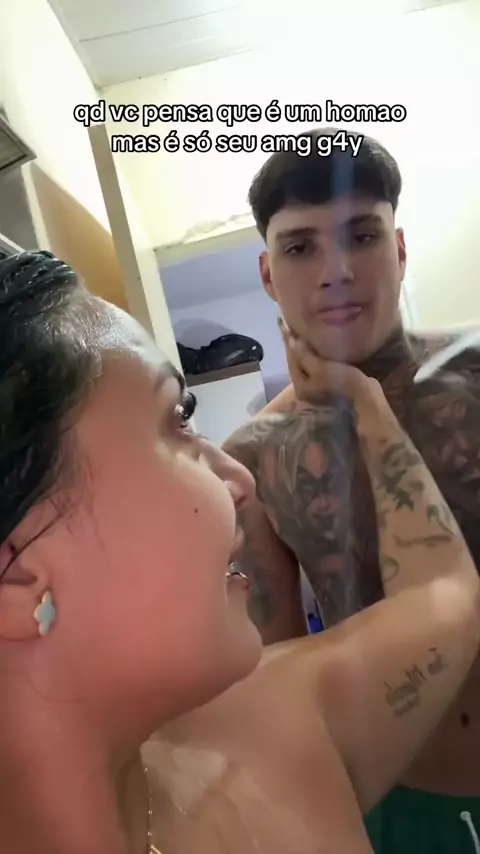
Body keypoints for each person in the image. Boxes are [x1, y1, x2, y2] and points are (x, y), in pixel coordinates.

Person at [1, 250, 479, 854]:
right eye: (178, 420)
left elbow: (444, 592)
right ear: (18, 576)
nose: (238, 479)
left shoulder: (278, 733)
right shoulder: (276, 733)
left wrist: (363, 403)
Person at [223, 127, 480, 852]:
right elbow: (276, 681)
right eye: (300, 247)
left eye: (361, 236)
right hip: (401, 805)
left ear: (399, 249)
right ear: (268, 273)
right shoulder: (252, 459)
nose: (334, 271)